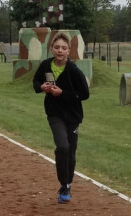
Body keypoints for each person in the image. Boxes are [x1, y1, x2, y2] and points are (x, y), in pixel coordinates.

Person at [33, 32, 91, 203]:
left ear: (69, 51)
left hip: (73, 116)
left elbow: (84, 94)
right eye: (57, 47)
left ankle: (68, 184)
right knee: (63, 146)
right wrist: (41, 87)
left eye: (64, 48)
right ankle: (63, 184)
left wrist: (63, 93)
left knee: (71, 152)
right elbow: (36, 82)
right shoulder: (45, 65)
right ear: (51, 49)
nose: (60, 50)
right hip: (54, 114)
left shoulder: (73, 70)